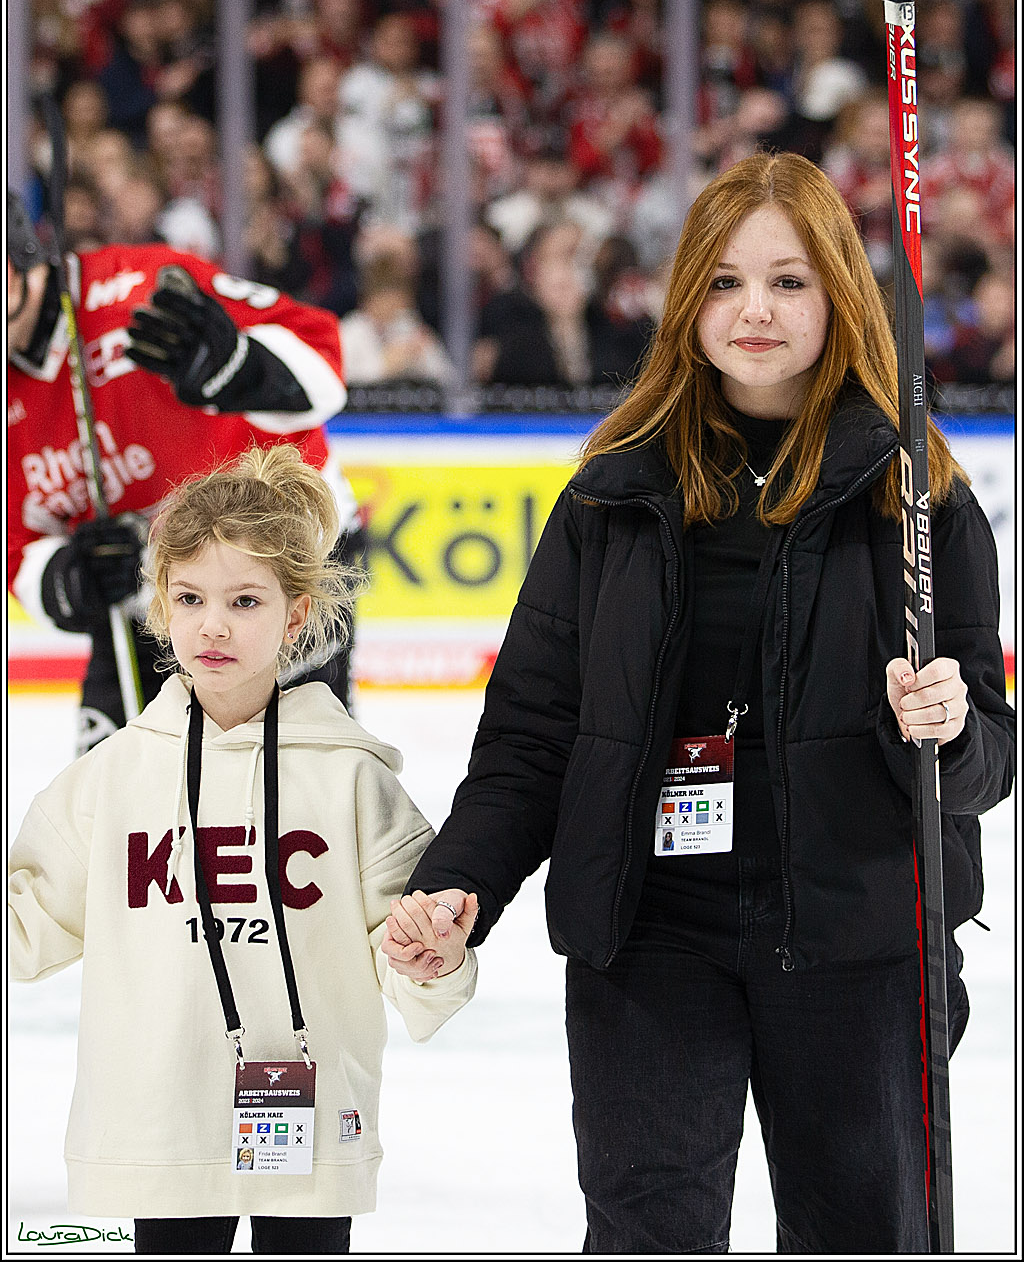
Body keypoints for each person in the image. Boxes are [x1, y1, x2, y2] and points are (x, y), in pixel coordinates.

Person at [383, 151, 1014, 1253]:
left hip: (860, 945)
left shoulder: (915, 496)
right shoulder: (612, 493)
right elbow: (532, 732)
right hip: (652, 938)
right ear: (686, 301)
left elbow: (988, 761)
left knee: (869, 1234)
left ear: (838, 297)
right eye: (723, 283)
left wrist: (949, 729)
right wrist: (456, 884)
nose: (753, 311)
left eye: (788, 282)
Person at [8, 445, 477, 1256]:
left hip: (314, 1121)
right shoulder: (111, 776)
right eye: (189, 597)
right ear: (160, 606)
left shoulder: (353, 779)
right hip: (162, 1129)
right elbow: (26, 926)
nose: (213, 624)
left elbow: (416, 954)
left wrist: (433, 957)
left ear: (296, 616)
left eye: (245, 599)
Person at [7, 194, 359, 756]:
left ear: (24, 257)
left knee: (288, 781)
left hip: (280, 557)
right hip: (148, 599)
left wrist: (237, 367)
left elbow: (322, 362)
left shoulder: (139, 286)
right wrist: (73, 578)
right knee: (113, 792)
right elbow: (19, 548)